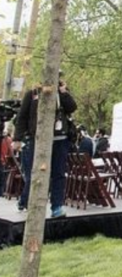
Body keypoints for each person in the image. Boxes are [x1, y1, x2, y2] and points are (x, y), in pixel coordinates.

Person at [14, 81, 77, 217]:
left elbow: (72, 107)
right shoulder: (33, 94)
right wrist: (17, 138)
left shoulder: (62, 94)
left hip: (59, 139)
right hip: (37, 139)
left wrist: (63, 92)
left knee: (58, 174)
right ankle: (27, 201)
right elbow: (22, 117)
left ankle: (57, 206)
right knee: (34, 173)